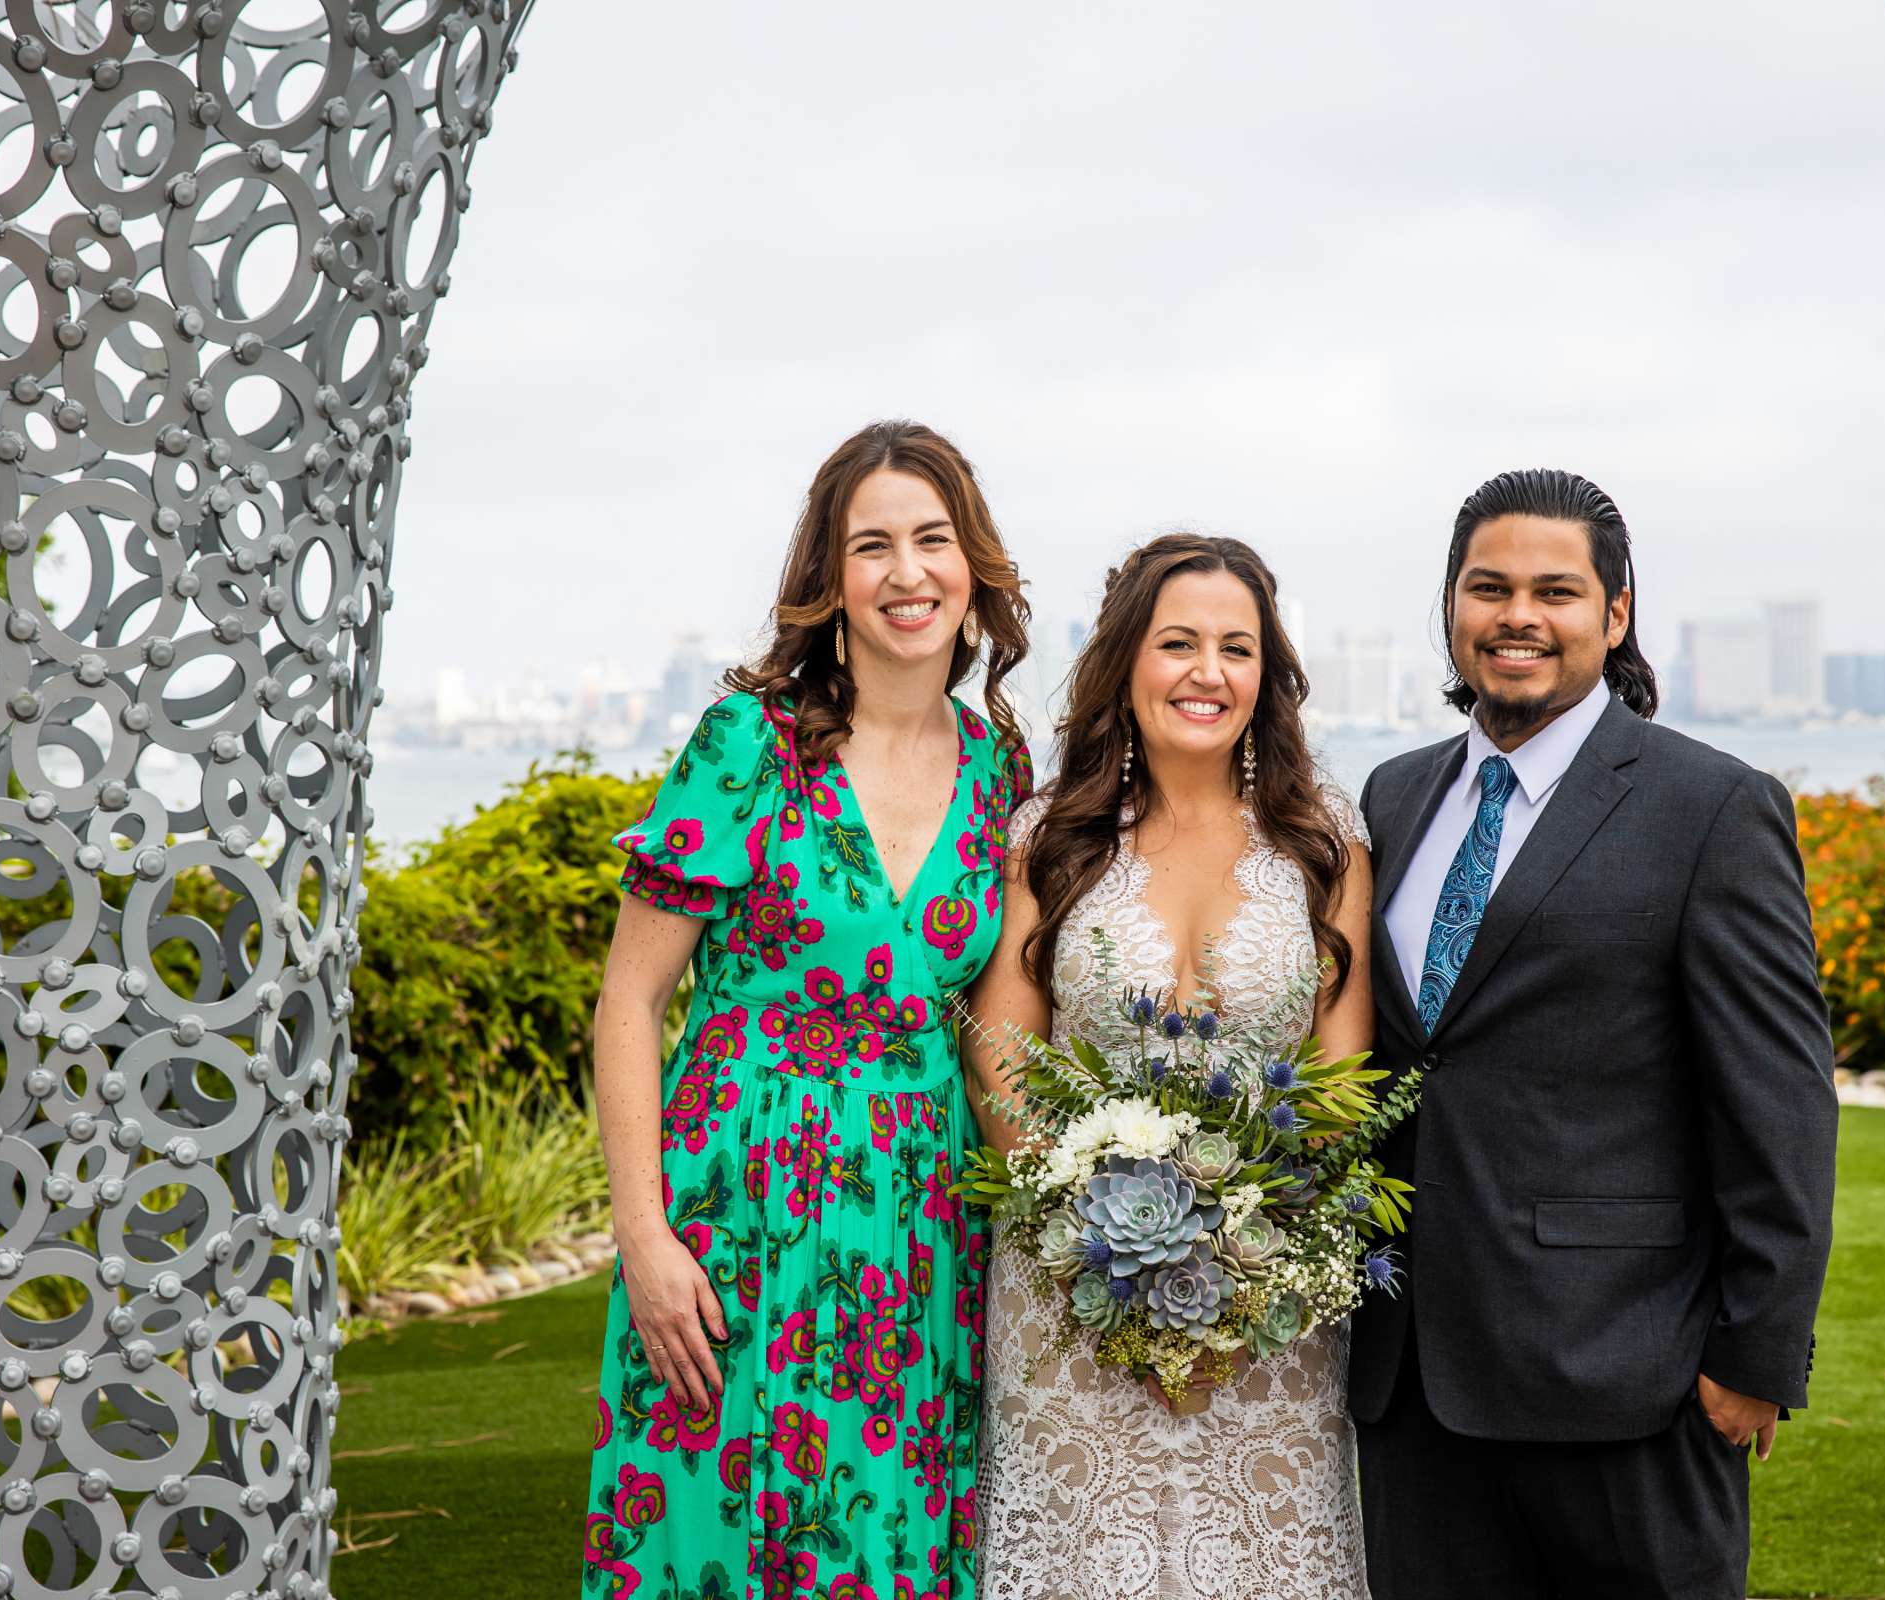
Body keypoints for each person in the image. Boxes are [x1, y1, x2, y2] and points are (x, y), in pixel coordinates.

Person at [1350, 468, 1837, 1600]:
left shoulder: (1711, 806)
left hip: (1631, 1376)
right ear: (1453, 608)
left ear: (1614, 615)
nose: (1518, 615)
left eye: (1555, 590)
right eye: (1489, 587)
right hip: (1411, 1381)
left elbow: (1779, 1098)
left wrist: (1756, 1352)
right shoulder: (1391, 798)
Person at [581, 420, 1035, 1600]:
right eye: (871, 544)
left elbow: (998, 1039)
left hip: (922, 1235)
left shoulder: (1003, 773)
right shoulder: (751, 741)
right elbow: (630, 1001)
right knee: (718, 1544)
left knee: (889, 1548)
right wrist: (642, 1238)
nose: (907, 572)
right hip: (735, 1217)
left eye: (932, 539)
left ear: (972, 564)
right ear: (830, 578)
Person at [962, 534, 1376, 1600]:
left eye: (1236, 648)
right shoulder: (1049, 835)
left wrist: (1242, 1274)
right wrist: (1096, 1254)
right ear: (1125, 663)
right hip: (1068, 1309)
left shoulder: (1324, 841)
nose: (1208, 672)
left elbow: (1337, 1087)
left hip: (1270, 1320)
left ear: (1266, 674)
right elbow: (1001, 1065)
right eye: (1178, 642)